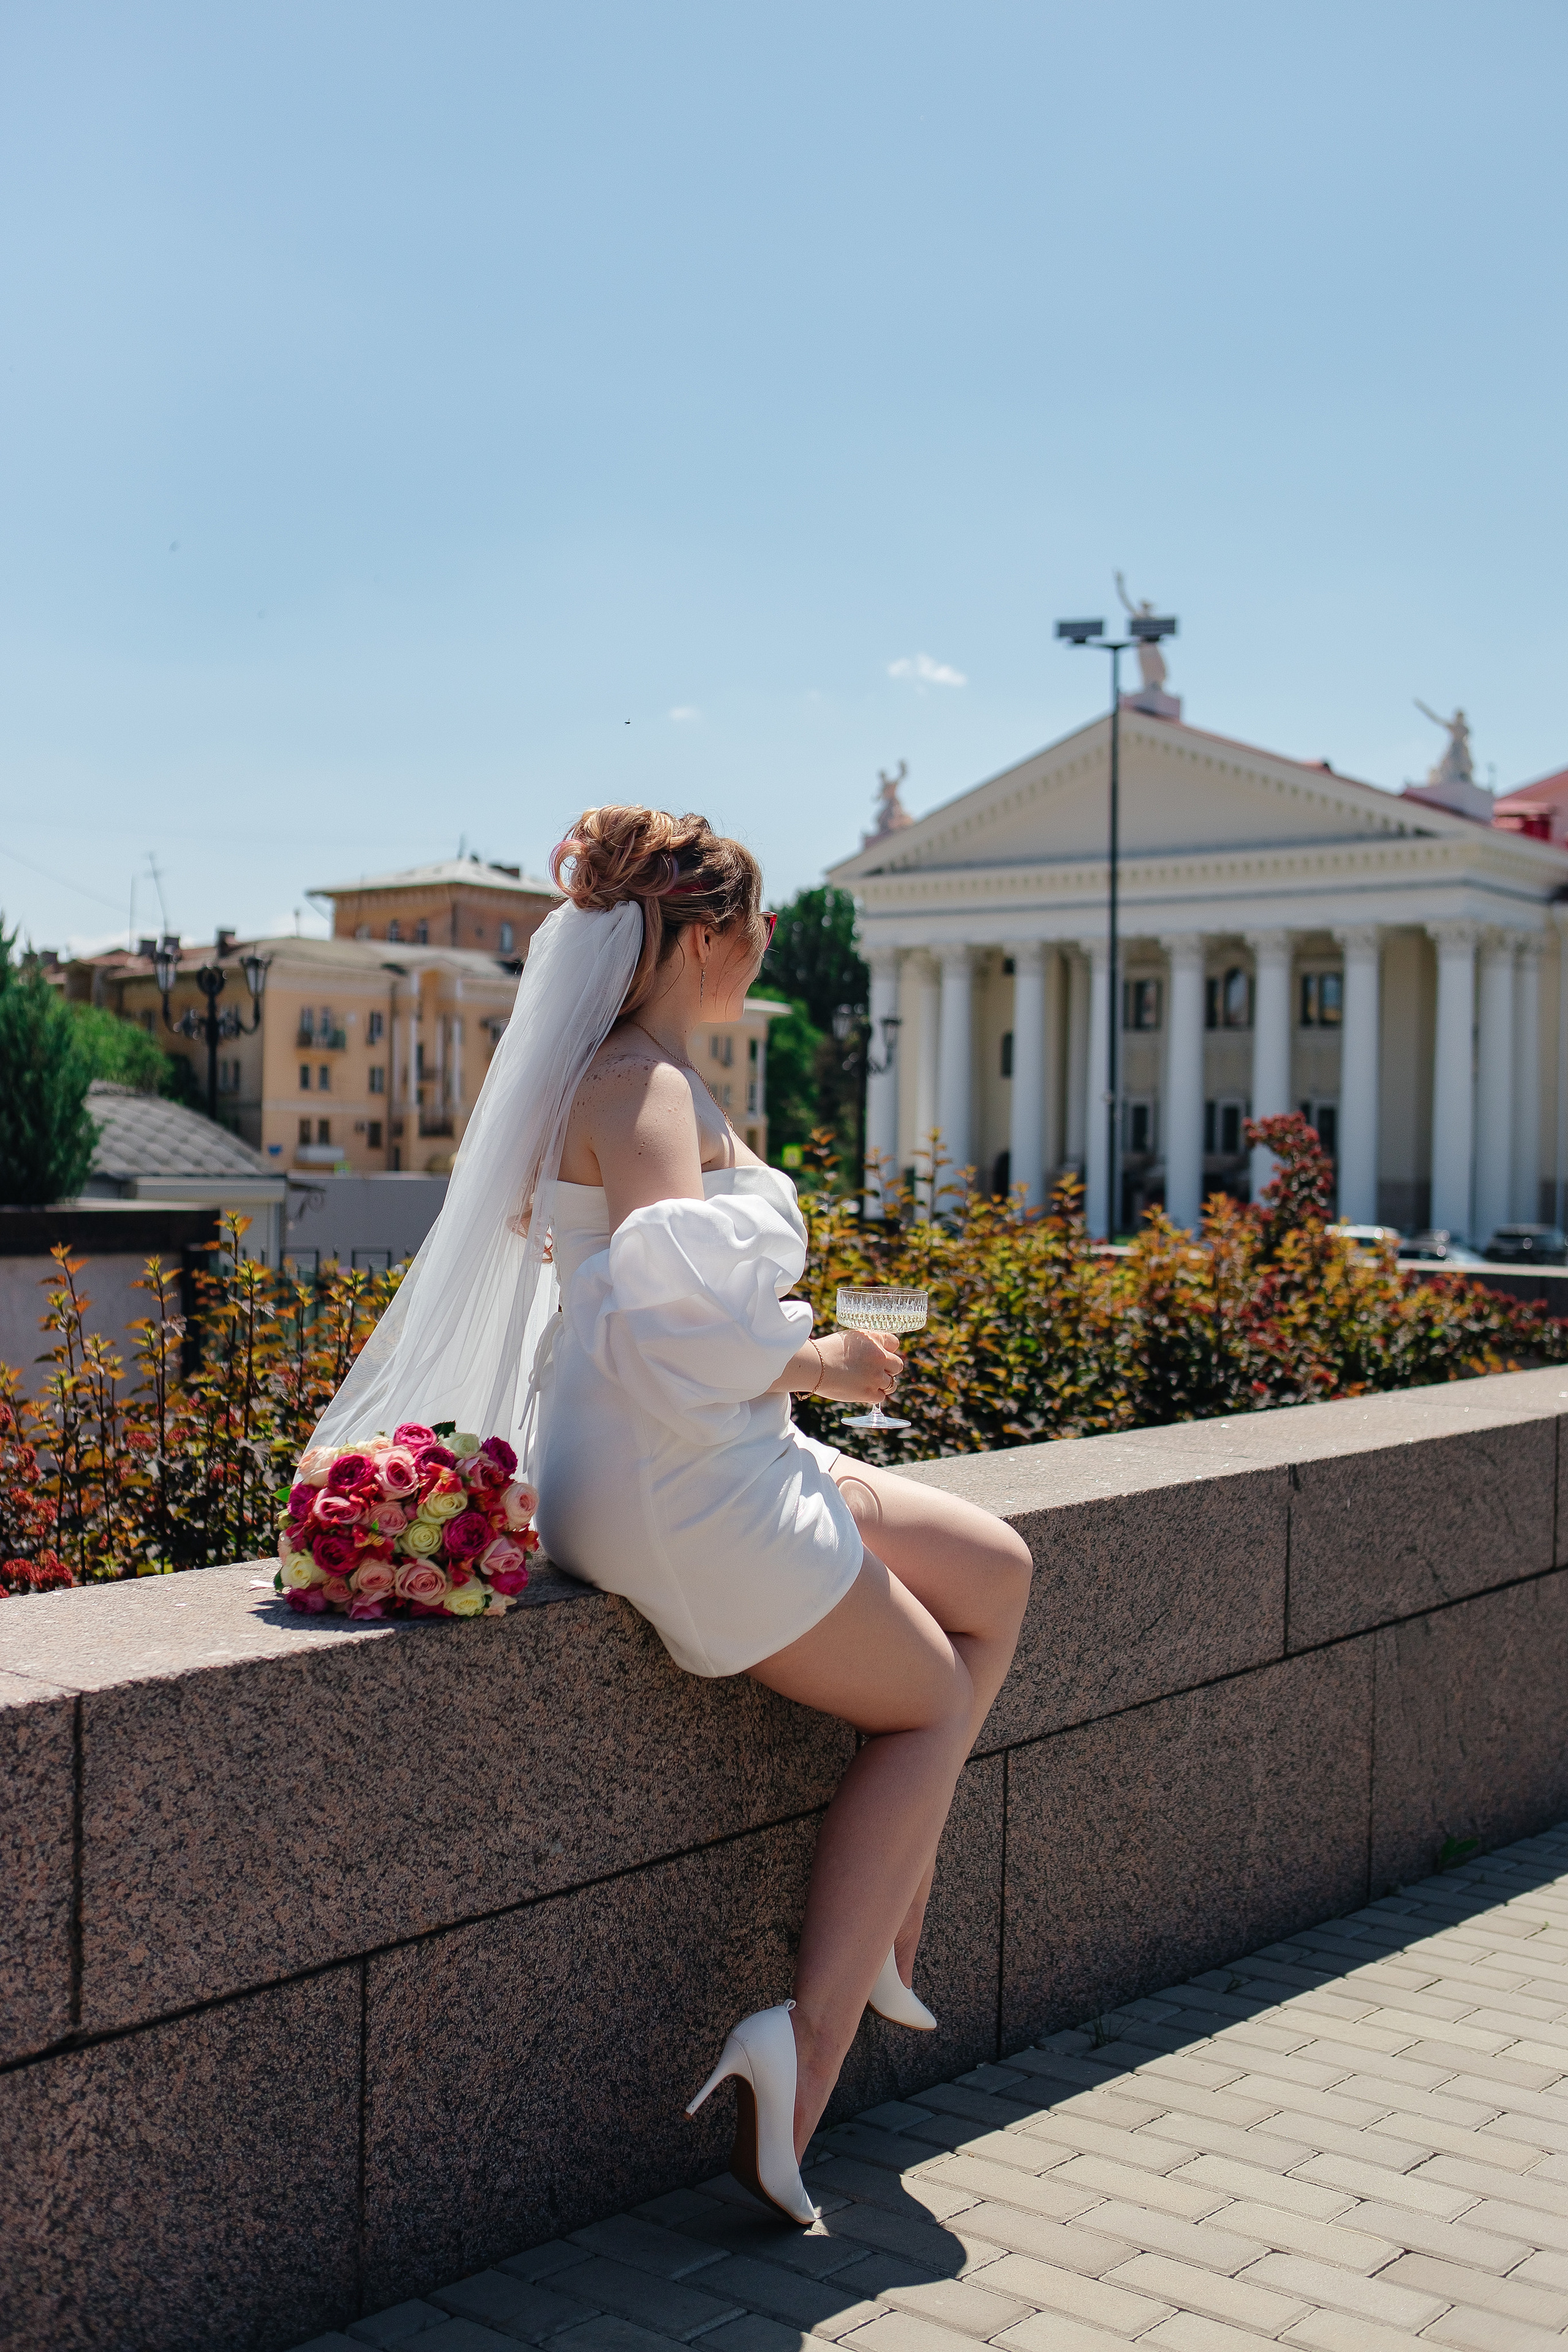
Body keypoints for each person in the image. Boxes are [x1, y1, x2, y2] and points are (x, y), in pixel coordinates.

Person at [310, 804, 1031, 2228]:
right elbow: (671, 1326)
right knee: (931, 1696)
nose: (766, 947)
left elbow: (655, 1310)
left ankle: (901, 1892)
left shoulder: (620, 1073)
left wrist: (802, 1364)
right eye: (754, 925)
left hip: (663, 1453)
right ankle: (807, 2043)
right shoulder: (639, 1089)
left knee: (995, 1570)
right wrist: (828, 1359)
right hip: (685, 1484)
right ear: (701, 934)